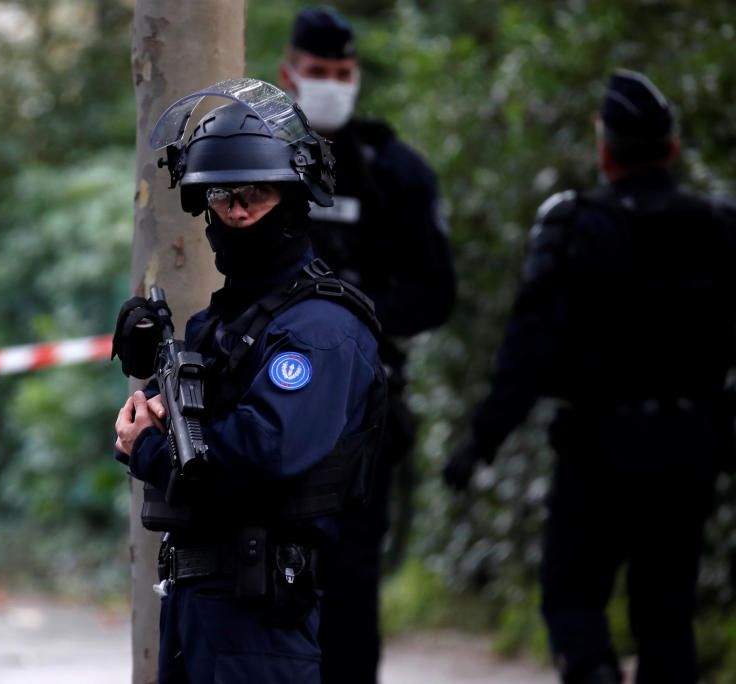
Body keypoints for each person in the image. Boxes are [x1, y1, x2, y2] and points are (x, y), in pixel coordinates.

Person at [443, 69, 736, 684]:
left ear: (603, 148)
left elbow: (525, 351)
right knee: (667, 612)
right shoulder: (717, 226)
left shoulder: (573, 225)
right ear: (673, 148)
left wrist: (480, 443)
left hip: (599, 450)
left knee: (573, 599)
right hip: (688, 449)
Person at [112, 79, 386, 683]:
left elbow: (264, 453)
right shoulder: (223, 322)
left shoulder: (320, 329)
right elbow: (201, 433)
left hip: (265, 618)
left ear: (292, 199)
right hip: (198, 604)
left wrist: (151, 451)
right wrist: (152, 409)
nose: (234, 212)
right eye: (221, 195)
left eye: (255, 195)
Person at [277, 7, 456, 682]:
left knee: (350, 581)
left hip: (360, 410)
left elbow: (437, 291)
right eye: (318, 73)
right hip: (265, 405)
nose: (331, 86)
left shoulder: (394, 170)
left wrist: (349, 321)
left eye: (342, 74)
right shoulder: (253, 157)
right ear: (286, 74)